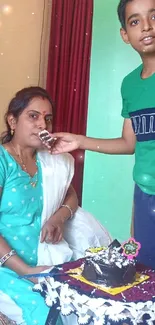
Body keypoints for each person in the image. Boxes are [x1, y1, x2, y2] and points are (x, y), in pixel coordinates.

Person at [51, 0, 155, 269]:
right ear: (125, 34)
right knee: (144, 267)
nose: (146, 26)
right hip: (144, 194)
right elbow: (129, 143)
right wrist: (79, 140)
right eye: (135, 21)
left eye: (154, 16)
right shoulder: (130, 84)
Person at [0, 86, 111, 325]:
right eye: (33, 116)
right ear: (12, 120)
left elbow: (70, 196)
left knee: (89, 303)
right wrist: (25, 271)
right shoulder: (2, 162)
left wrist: (58, 217)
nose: (42, 125)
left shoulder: (51, 160)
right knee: (46, 313)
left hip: (44, 258)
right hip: (7, 265)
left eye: (47, 118)